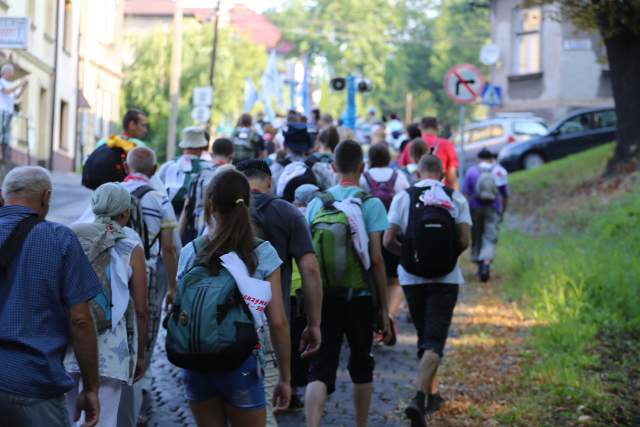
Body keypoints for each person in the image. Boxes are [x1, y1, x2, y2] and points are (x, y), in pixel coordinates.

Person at [176, 168, 291, 426]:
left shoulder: (189, 252)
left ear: (210, 204)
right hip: (243, 363)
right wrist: (284, 377)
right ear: (246, 204)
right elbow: (279, 322)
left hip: (196, 363)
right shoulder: (262, 252)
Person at [0, 166, 101, 426]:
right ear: (46, 197)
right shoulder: (60, 239)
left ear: (4, 196)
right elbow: (80, 319)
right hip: (32, 381)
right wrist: (90, 388)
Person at [304, 140, 390, 427]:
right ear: (362, 168)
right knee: (361, 362)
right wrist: (384, 308)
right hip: (360, 296)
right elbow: (376, 259)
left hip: (323, 295)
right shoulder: (371, 204)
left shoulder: (317, 202)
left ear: (333, 167)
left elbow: (307, 257)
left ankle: (312, 424)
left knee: (320, 366)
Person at [383, 155, 471, 427]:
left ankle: (432, 395)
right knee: (434, 341)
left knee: (425, 336)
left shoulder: (403, 197)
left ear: (418, 173)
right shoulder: (455, 198)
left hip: (411, 279)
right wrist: (445, 259)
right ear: (443, 174)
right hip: (446, 279)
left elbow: (388, 240)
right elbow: (464, 240)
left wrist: (409, 257)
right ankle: (421, 397)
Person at [236, 160, 323, 419]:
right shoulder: (288, 213)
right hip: (271, 323)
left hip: (223, 325)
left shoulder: (223, 212)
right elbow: (309, 269)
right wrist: (314, 322)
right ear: (270, 181)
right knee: (264, 405)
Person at [64, 183, 148, 427]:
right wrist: (140, 355)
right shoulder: (131, 245)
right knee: (103, 419)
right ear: (125, 213)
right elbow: (141, 311)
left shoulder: (71, 234)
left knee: (68, 417)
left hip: (71, 341)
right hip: (112, 350)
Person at [119, 147, 179, 426]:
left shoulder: (113, 191)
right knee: (146, 332)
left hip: (117, 273)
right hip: (150, 273)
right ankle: (136, 398)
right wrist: (173, 285)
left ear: (127, 168)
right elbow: (169, 247)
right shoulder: (159, 198)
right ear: (154, 171)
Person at [360, 143, 410, 325]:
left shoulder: (363, 178)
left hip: (368, 236)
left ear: (370, 159)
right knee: (395, 281)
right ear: (389, 159)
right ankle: (389, 317)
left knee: (372, 279)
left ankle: (374, 317)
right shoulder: (400, 177)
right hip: (392, 235)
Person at [461, 149, 509, 282]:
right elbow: (505, 194)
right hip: (493, 208)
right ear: (491, 158)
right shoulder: (499, 171)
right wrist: (502, 210)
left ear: (479, 158)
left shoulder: (471, 171)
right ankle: (486, 263)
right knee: (489, 236)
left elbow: (464, 192)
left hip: (475, 208)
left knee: (476, 236)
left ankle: (478, 264)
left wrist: (465, 212)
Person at [179, 137, 234, 243]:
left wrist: (179, 240)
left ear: (211, 154)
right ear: (231, 157)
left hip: (198, 235)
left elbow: (186, 209)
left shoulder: (199, 175)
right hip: (225, 236)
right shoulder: (234, 176)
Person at [158, 126, 213, 218]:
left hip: (169, 218)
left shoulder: (167, 166)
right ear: (203, 147)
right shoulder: (209, 168)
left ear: (183, 146)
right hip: (196, 219)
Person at [271, 123, 335, 201]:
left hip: (284, 212)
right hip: (313, 212)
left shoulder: (275, 169)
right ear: (308, 146)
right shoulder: (319, 169)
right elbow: (330, 195)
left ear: (285, 145)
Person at [398, 117, 459, 189]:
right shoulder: (446, 145)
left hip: (414, 194)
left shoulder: (411, 145)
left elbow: (402, 168)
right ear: (438, 128)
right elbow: (451, 176)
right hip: (440, 193)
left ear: (420, 128)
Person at [0, 64, 27, 162]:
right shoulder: (1, 82)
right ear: (4, 72)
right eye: (10, 72)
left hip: (8, 112)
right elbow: (6, 92)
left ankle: (3, 156)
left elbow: (17, 96)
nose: (11, 74)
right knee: (1, 133)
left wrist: (24, 86)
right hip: (1, 111)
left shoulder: (11, 83)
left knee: (6, 135)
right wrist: (20, 84)